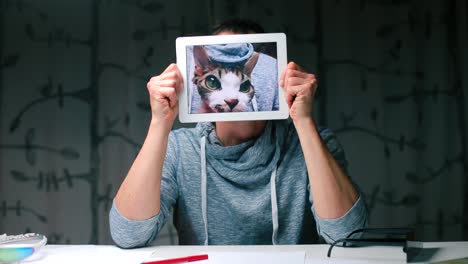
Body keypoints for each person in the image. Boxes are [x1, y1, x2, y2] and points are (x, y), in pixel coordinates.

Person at [110, 18, 368, 247]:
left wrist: (303, 121)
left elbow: (348, 235)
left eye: (241, 81)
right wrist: (159, 123)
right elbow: (129, 235)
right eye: (216, 78)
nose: (231, 97)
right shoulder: (179, 148)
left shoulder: (312, 142)